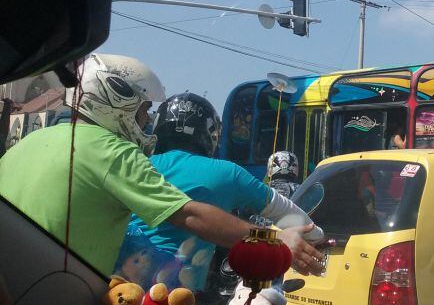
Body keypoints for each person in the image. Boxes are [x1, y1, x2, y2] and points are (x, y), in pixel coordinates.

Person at [0, 54, 322, 278]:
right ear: (116, 102)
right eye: (143, 110)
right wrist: (274, 240)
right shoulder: (113, 152)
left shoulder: (28, 142)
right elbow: (191, 215)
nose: (145, 121)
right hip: (64, 297)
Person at [116, 93, 324, 290]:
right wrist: (315, 237)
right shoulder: (228, 173)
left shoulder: (134, 165)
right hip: (178, 301)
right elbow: (292, 215)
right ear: (210, 134)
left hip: (116, 290)